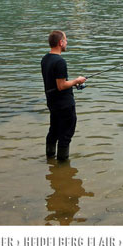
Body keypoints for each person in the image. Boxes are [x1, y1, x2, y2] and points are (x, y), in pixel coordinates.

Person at [41, 31, 86, 161]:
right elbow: (61, 85)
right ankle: (62, 165)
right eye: (65, 40)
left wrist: (72, 83)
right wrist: (77, 81)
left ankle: (50, 158)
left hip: (53, 103)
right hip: (64, 104)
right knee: (66, 135)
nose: (67, 43)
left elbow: (55, 84)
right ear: (60, 43)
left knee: (53, 131)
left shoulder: (45, 59)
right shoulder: (60, 61)